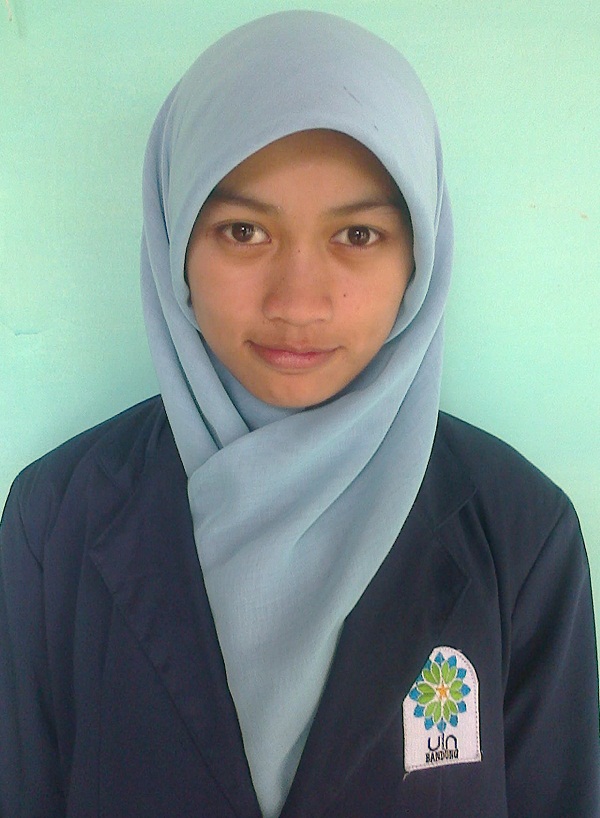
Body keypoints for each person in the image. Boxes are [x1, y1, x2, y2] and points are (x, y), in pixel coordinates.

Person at [0, 10, 598, 818]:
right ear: (176, 242)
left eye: (358, 234)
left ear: (420, 256)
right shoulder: (53, 522)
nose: (298, 302)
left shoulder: (521, 533)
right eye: (243, 230)